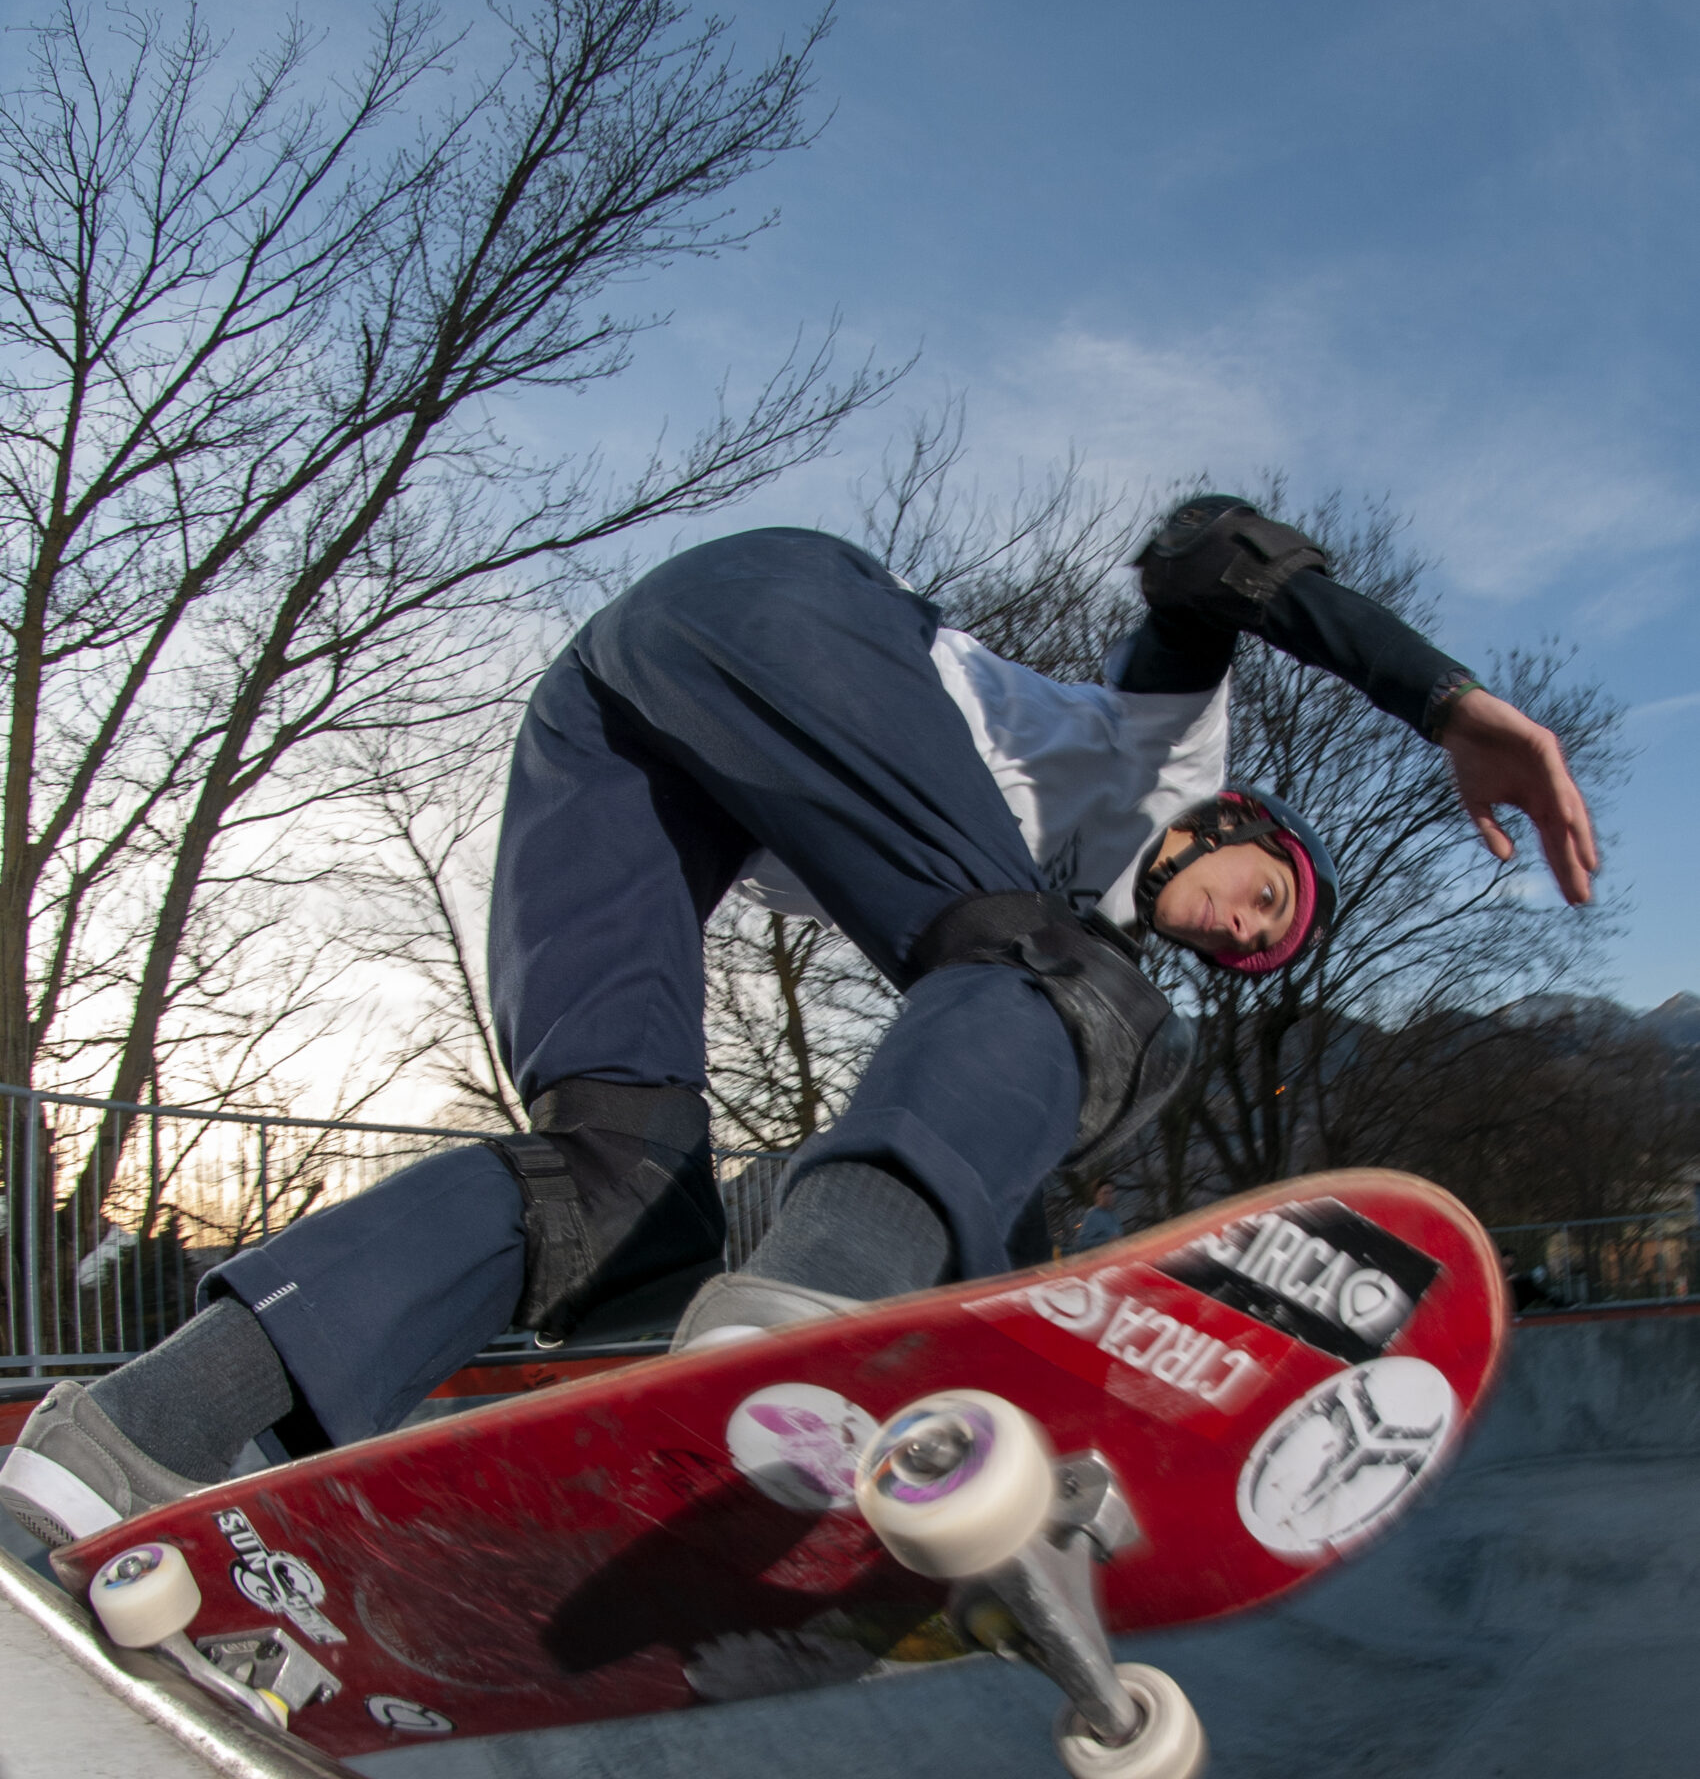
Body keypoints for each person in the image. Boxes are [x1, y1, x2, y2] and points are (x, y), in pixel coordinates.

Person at [0, 498, 1598, 1549]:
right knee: (1080, 999)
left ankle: (137, 1433)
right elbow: (1202, 556)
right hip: (776, 609)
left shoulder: (1034, 951)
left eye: (1266, 954)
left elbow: (986, 1138)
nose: (1251, 935)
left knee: (614, 1182)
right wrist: (1447, 702)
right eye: (1270, 895)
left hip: (611, 726)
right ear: (1235, 823)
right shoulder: (1165, 757)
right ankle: (805, 1313)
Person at [1067, 1182, 1124, 1255]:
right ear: (1097, 1195)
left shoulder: (1113, 1215)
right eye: (1105, 1193)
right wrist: (1107, 1241)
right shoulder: (1093, 1215)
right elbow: (1081, 1243)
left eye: (1112, 1192)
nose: (1109, 1196)